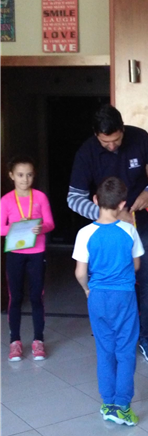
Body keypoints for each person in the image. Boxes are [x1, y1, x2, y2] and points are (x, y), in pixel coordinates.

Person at [67, 104, 148, 363]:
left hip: (140, 222)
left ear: (123, 130)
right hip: (105, 230)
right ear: (96, 135)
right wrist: (108, 214)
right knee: (111, 283)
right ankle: (114, 337)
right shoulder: (87, 152)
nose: (112, 146)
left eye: (116, 140)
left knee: (147, 280)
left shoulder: (139, 138)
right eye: (106, 142)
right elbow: (74, 198)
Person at [72, 177, 144, 426]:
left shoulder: (85, 233)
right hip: (124, 296)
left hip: (97, 296)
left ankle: (107, 403)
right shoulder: (129, 230)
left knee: (104, 350)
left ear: (95, 200)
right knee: (125, 351)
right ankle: (122, 406)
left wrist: (87, 289)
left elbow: (80, 273)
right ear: (123, 204)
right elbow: (136, 265)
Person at [0, 155, 55, 362]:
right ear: (11, 175)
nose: (25, 179)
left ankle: (38, 340)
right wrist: (16, 227)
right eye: (21, 175)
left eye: (29, 175)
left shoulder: (40, 197)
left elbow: (50, 223)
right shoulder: (6, 200)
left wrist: (41, 227)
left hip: (36, 252)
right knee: (15, 297)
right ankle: (15, 341)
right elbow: (0, 227)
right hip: (15, 253)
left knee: (36, 297)